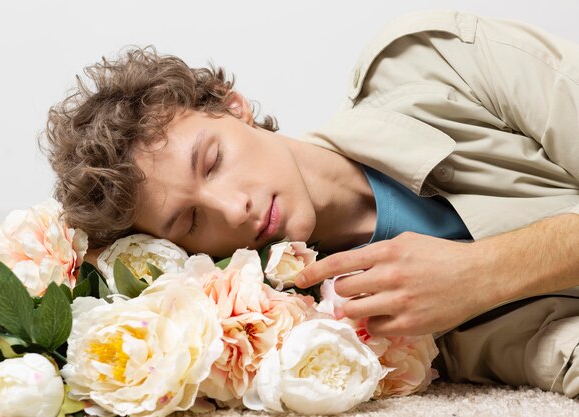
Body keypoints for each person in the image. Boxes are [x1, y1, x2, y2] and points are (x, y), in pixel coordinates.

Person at [42, 10, 579, 397]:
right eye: (190, 220)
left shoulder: (430, 65)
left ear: (235, 108)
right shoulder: (356, 334)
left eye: (213, 161)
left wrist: (485, 271)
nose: (233, 209)